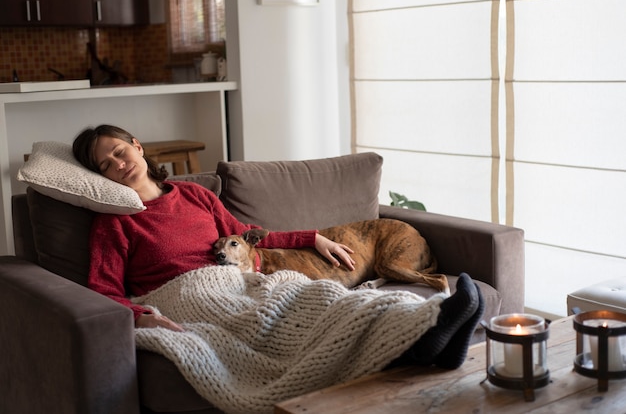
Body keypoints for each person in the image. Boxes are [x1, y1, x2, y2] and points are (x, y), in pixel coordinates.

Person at [73, 124, 484, 369]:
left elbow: (249, 235)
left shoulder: (193, 194)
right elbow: (102, 289)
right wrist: (142, 316)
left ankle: (428, 324)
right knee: (284, 321)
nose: (118, 164)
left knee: (319, 295)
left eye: (119, 152)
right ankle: (423, 340)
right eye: (106, 165)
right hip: (184, 293)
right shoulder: (113, 221)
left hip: (240, 279)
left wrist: (312, 238)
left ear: (137, 146)